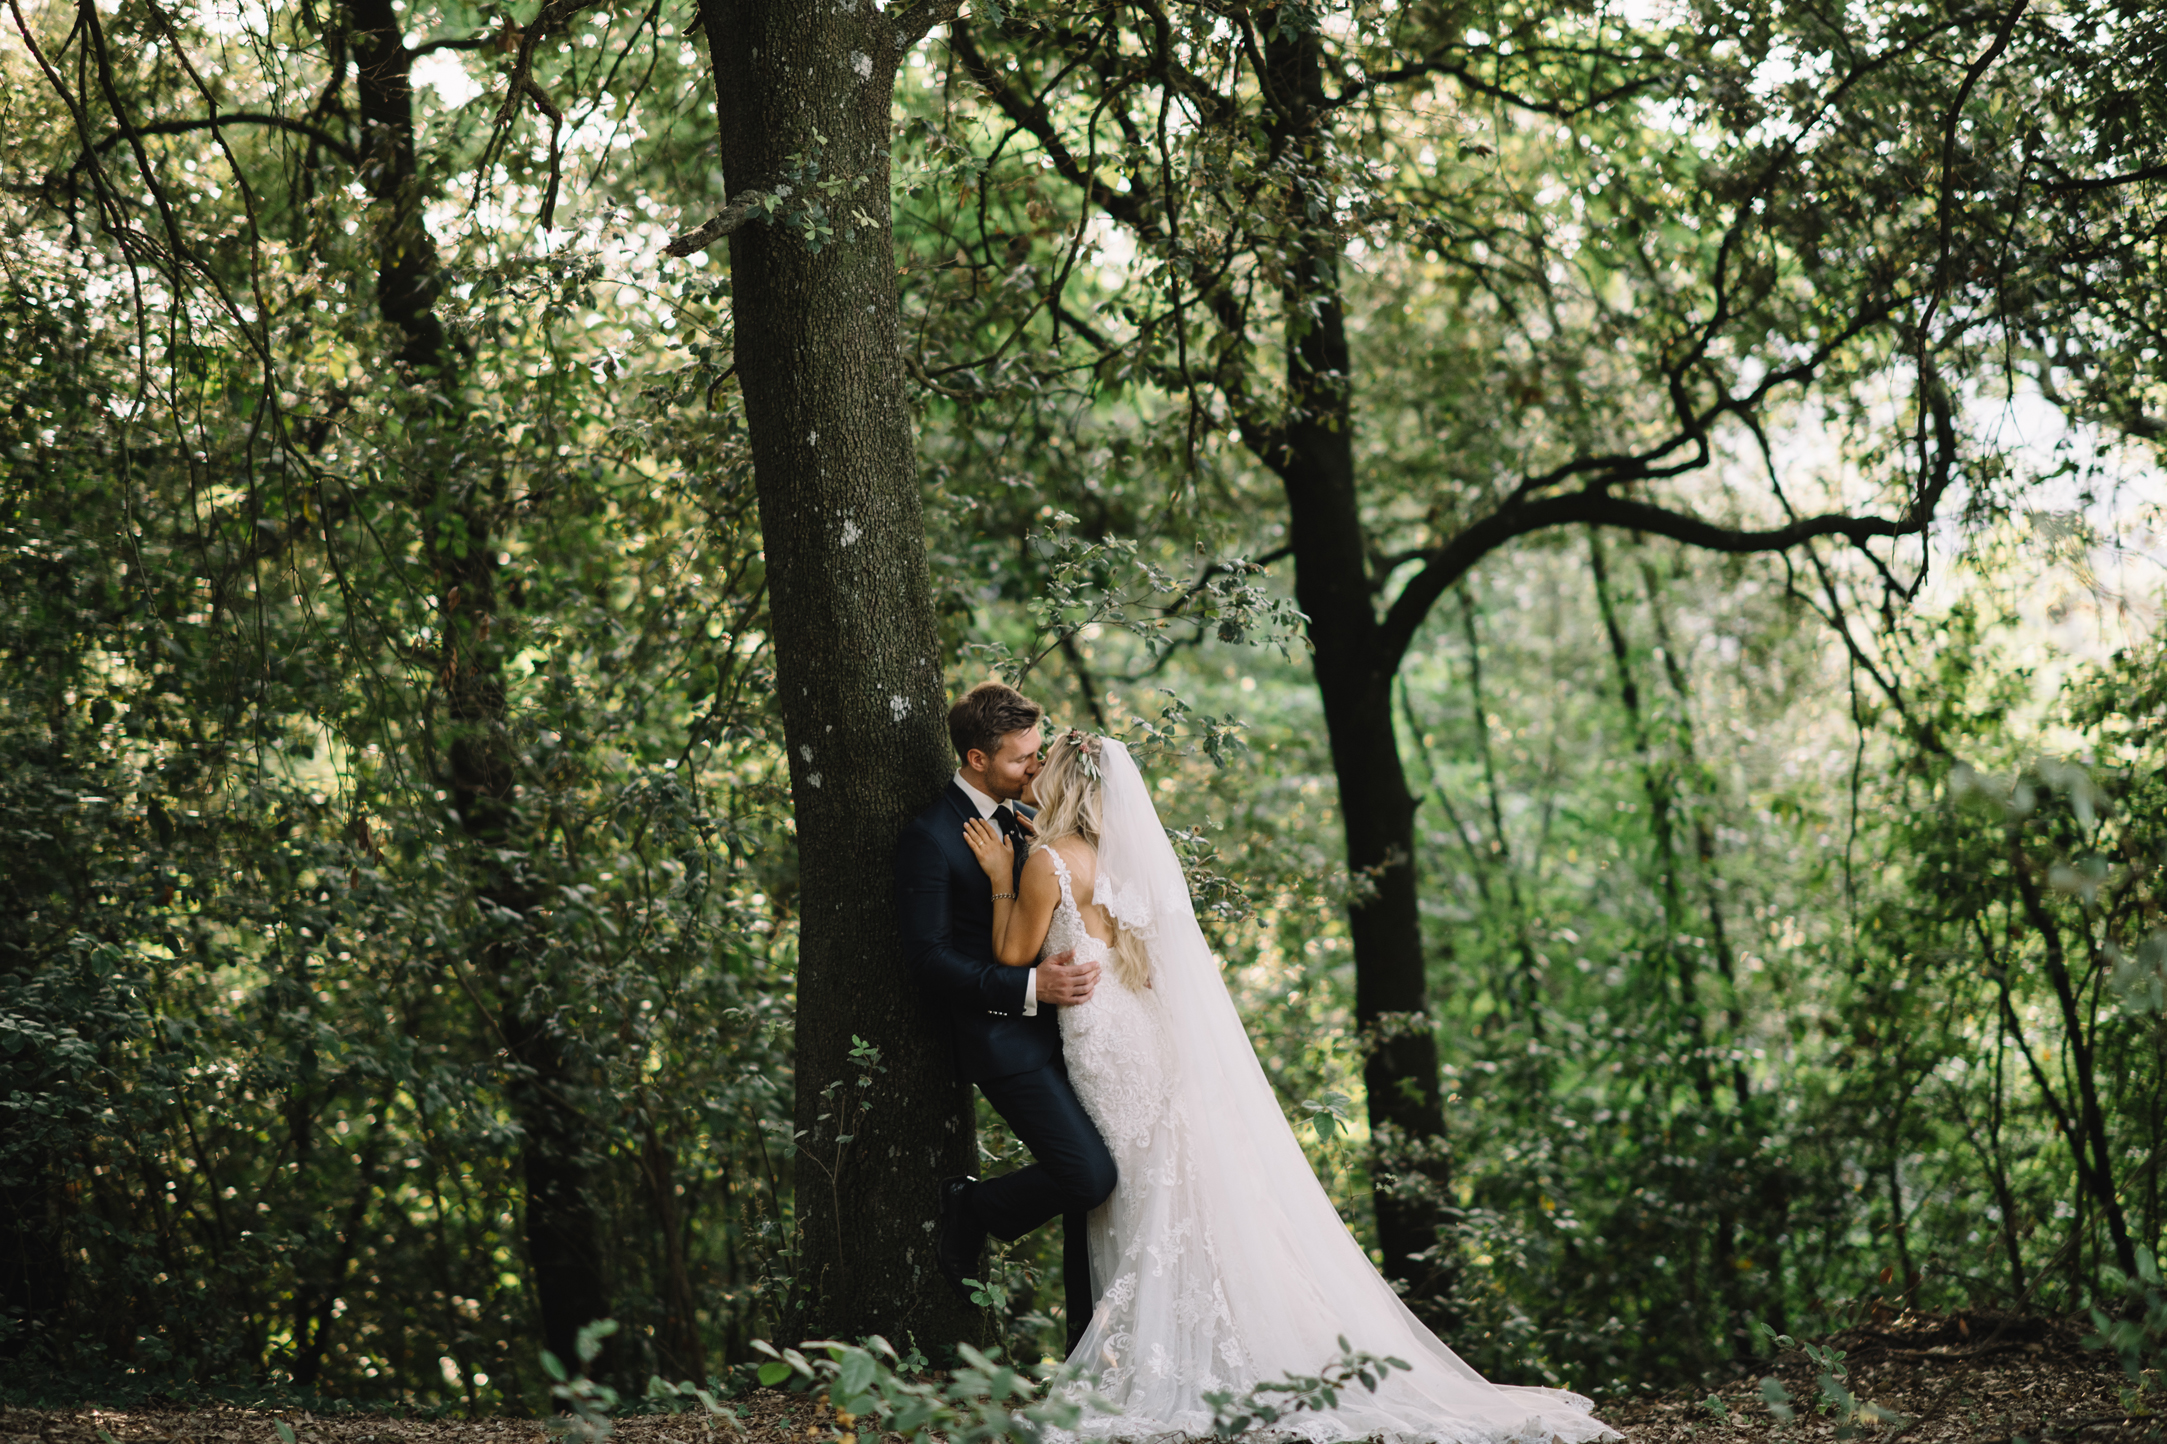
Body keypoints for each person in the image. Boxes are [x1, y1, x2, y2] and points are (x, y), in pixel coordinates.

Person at [957, 729, 1617, 1443]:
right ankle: (1182, 1347)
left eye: (1038, 769)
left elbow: (1011, 955)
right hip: (1144, 1036)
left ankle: (1156, 1358)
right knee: (1166, 1185)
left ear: (1057, 786)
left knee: (1136, 1190)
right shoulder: (1125, 861)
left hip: (1102, 1043)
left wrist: (999, 872)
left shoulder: (1047, 862)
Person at [896, 682, 1115, 1355]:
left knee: (1096, 1202)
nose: (1035, 766)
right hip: (1003, 1039)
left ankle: (1085, 1352)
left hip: (1080, 1036)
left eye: (1037, 752)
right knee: (1087, 1176)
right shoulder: (930, 837)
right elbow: (928, 962)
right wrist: (1029, 986)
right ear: (976, 758)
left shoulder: (1030, 821)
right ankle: (973, 1208)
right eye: (1022, 758)